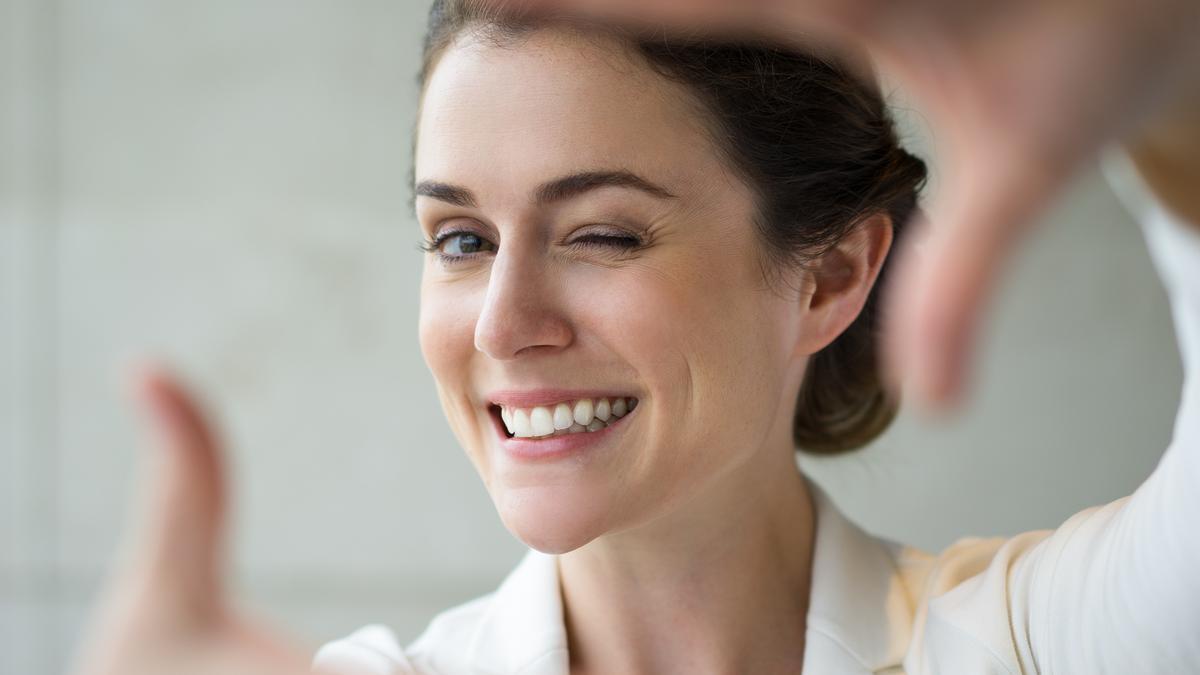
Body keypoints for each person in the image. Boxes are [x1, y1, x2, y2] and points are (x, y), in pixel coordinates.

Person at [68, 0, 1200, 674]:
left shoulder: (1027, 646)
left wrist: (1173, 96)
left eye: (602, 234)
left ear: (832, 275)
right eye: (459, 239)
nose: (505, 326)